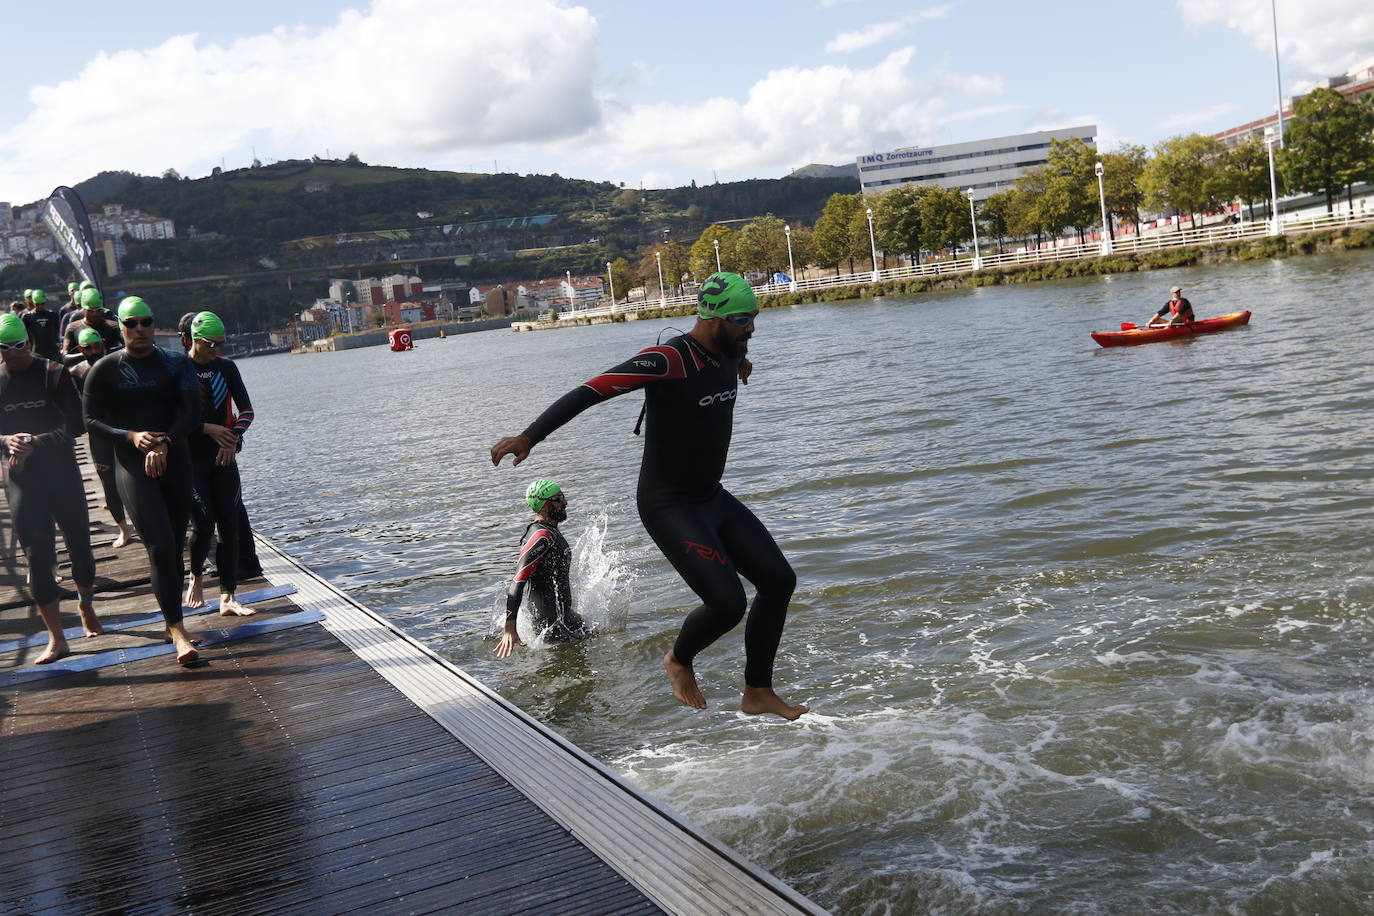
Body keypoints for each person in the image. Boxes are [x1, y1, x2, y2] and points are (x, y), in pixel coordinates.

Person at [490, 271, 808, 720]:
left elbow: (739, 353)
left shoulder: (733, 346)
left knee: (779, 581)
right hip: (668, 504)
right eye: (742, 319)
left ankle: (757, 691)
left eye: (754, 317)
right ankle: (678, 660)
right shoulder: (668, 360)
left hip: (710, 496)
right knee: (728, 603)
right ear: (712, 316)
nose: (751, 328)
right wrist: (529, 436)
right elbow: (590, 392)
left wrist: (741, 363)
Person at [83, 296, 202, 665]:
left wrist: (165, 441)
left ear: (153, 324)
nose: (139, 329)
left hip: (175, 460)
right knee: (160, 545)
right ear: (119, 327)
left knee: (176, 541)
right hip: (132, 467)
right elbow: (90, 421)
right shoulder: (105, 369)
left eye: (145, 321)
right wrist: (131, 436)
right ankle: (178, 631)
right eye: (131, 323)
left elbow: (192, 411)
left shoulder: (176, 363)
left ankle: (175, 620)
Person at [0, 314, 102, 664]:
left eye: (18, 347)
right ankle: (57, 638)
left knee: (80, 550)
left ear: (28, 343)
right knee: (38, 561)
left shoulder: (53, 373)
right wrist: (7, 440)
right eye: (4, 349)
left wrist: (35, 441)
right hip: (22, 480)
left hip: (61, 473)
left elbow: (76, 425)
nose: (13, 355)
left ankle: (86, 604)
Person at [177, 310, 263, 581]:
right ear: (193, 340)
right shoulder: (178, 369)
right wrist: (206, 428)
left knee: (231, 515)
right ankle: (198, 574)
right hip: (192, 459)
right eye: (210, 343)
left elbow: (247, 411)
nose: (216, 349)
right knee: (203, 523)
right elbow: (171, 420)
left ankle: (243, 571)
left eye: (220, 344)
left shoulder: (226, 367)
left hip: (224, 456)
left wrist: (232, 439)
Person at [496, 479, 590, 658]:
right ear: (546, 504)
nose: (565, 502)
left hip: (563, 619)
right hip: (551, 627)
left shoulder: (549, 531)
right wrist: (509, 629)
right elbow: (517, 581)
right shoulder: (541, 536)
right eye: (559, 498)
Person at [67, 327, 133, 548]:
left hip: (123, 429)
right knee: (109, 483)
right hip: (99, 434)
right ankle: (123, 529)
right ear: (80, 350)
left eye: (97, 346)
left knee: (134, 477)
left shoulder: (117, 363)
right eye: (88, 348)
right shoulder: (76, 372)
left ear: (104, 344)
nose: (94, 351)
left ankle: (141, 522)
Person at [62, 288, 121, 353]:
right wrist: (87, 353)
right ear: (83, 309)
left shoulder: (113, 326)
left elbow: (128, 348)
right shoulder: (72, 328)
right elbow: (65, 356)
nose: (95, 314)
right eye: (90, 311)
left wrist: (105, 352)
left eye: (98, 310)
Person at [22, 289, 62, 360]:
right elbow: (24, 335)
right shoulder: (27, 317)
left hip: (52, 352)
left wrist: (58, 343)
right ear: (33, 303)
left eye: (42, 304)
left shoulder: (52, 315)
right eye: (37, 304)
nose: (40, 306)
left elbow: (57, 331)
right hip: (37, 351)